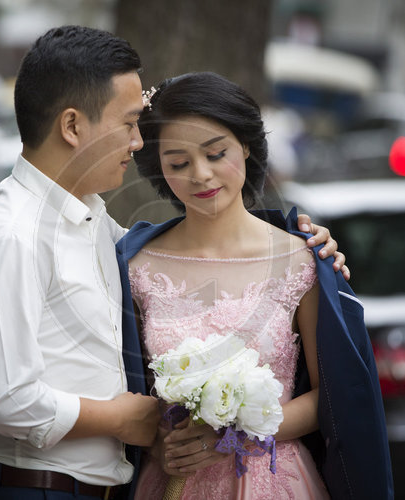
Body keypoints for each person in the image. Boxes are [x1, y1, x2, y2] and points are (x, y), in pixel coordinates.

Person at [0, 25, 347, 500]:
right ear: (74, 127)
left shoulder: (97, 223)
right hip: (34, 487)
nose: (137, 141)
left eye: (216, 153)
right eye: (128, 123)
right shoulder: (12, 237)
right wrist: (125, 418)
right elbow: (5, 402)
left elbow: (207, 236)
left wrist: (300, 239)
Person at [116, 72, 393, 499]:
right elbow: (125, 387)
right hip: (172, 480)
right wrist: (159, 439)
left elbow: (330, 395)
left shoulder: (301, 260)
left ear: (245, 145)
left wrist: (235, 436)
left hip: (273, 478)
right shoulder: (136, 265)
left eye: (216, 153)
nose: (201, 175)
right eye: (179, 163)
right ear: (159, 169)